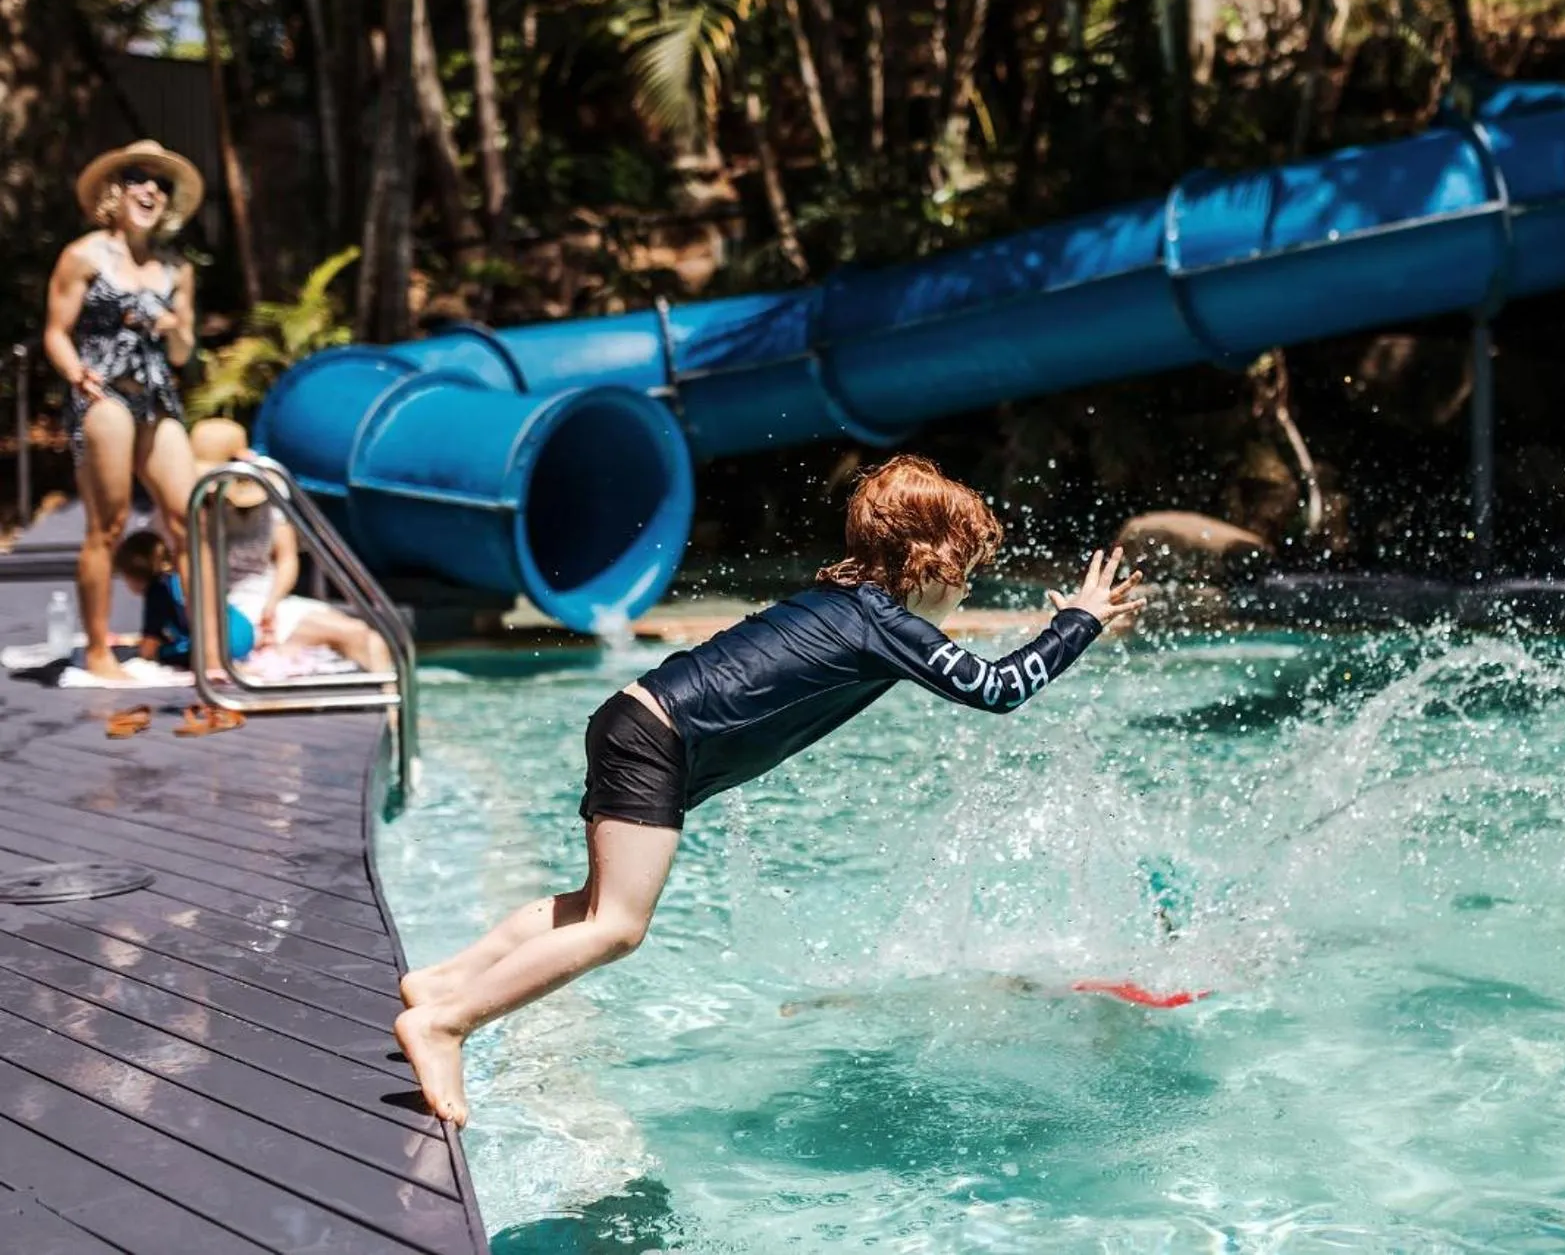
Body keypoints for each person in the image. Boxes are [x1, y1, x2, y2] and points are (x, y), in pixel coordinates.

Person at [393, 456, 1147, 1125]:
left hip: (637, 722)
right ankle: (449, 1022)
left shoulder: (847, 601)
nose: (969, 585)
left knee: (592, 907)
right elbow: (998, 687)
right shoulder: (881, 620)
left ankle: (441, 981)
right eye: (970, 567)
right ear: (934, 557)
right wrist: (1076, 623)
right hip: (659, 739)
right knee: (618, 926)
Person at [43, 140, 203, 680]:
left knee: (187, 520)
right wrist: (75, 374)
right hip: (103, 391)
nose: (151, 189)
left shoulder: (177, 269)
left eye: (162, 183)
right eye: (139, 177)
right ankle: (97, 651)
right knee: (107, 525)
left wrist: (175, 327)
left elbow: (183, 353)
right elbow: (55, 333)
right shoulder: (83, 256)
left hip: (158, 396)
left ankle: (203, 645)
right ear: (116, 190)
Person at [189, 419, 395, 674]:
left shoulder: (268, 495)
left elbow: (286, 558)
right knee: (355, 635)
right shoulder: (193, 507)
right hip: (231, 608)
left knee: (372, 639)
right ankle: (392, 707)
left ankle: (395, 711)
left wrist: (272, 602)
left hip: (269, 599)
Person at [113, 530, 255, 670]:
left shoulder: (157, 592)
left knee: (161, 653)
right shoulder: (179, 578)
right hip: (245, 633)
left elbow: (148, 648)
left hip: (227, 644)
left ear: (132, 575)